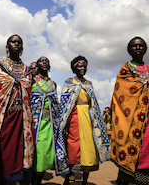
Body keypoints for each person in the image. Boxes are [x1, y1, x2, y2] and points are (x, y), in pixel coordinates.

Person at [60, 55, 110, 185]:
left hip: (88, 118)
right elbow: (65, 105)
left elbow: (93, 104)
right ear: (74, 68)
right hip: (74, 118)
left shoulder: (89, 84)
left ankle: (85, 180)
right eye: (80, 66)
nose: (83, 68)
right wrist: (64, 125)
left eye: (85, 66)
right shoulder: (69, 83)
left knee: (89, 145)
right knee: (72, 145)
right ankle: (68, 177)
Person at [0, 34, 34, 185]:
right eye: (13, 41)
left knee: (19, 151)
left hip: (22, 117)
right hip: (4, 117)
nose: (16, 44)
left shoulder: (27, 70)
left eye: (19, 42)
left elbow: (28, 92)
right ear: (7, 46)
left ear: (22, 48)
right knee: (2, 150)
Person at [111, 37, 149, 185]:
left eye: (141, 46)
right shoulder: (125, 70)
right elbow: (121, 96)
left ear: (145, 49)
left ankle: (143, 177)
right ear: (129, 50)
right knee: (129, 148)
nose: (138, 48)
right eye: (134, 46)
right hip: (130, 118)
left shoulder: (148, 70)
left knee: (146, 148)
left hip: (147, 119)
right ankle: (126, 177)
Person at [30, 56, 69, 185]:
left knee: (47, 152)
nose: (45, 63)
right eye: (41, 61)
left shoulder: (53, 84)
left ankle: (38, 180)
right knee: (38, 151)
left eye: (47, 61)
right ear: (37, 64)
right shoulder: (32, 80)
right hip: (36, 123)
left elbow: (56, 104)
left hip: (50, 123)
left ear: (50, 66)